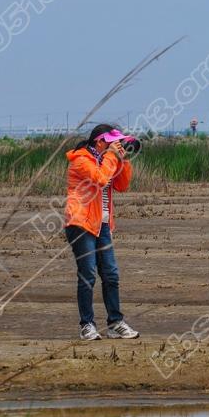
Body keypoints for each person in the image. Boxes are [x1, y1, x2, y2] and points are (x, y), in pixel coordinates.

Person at [64, 124, 139, 341]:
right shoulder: (81, 160)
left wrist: (122, 159)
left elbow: (122, 185)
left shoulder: (107, 160)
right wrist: (111, 158)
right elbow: (100, 179)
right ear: (100, 142)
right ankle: (86, 325)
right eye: (113, 142)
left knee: (111, 274)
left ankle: (115, 323)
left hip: (102, 225)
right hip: (81, 223)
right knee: (87, 275)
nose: (117, 146)